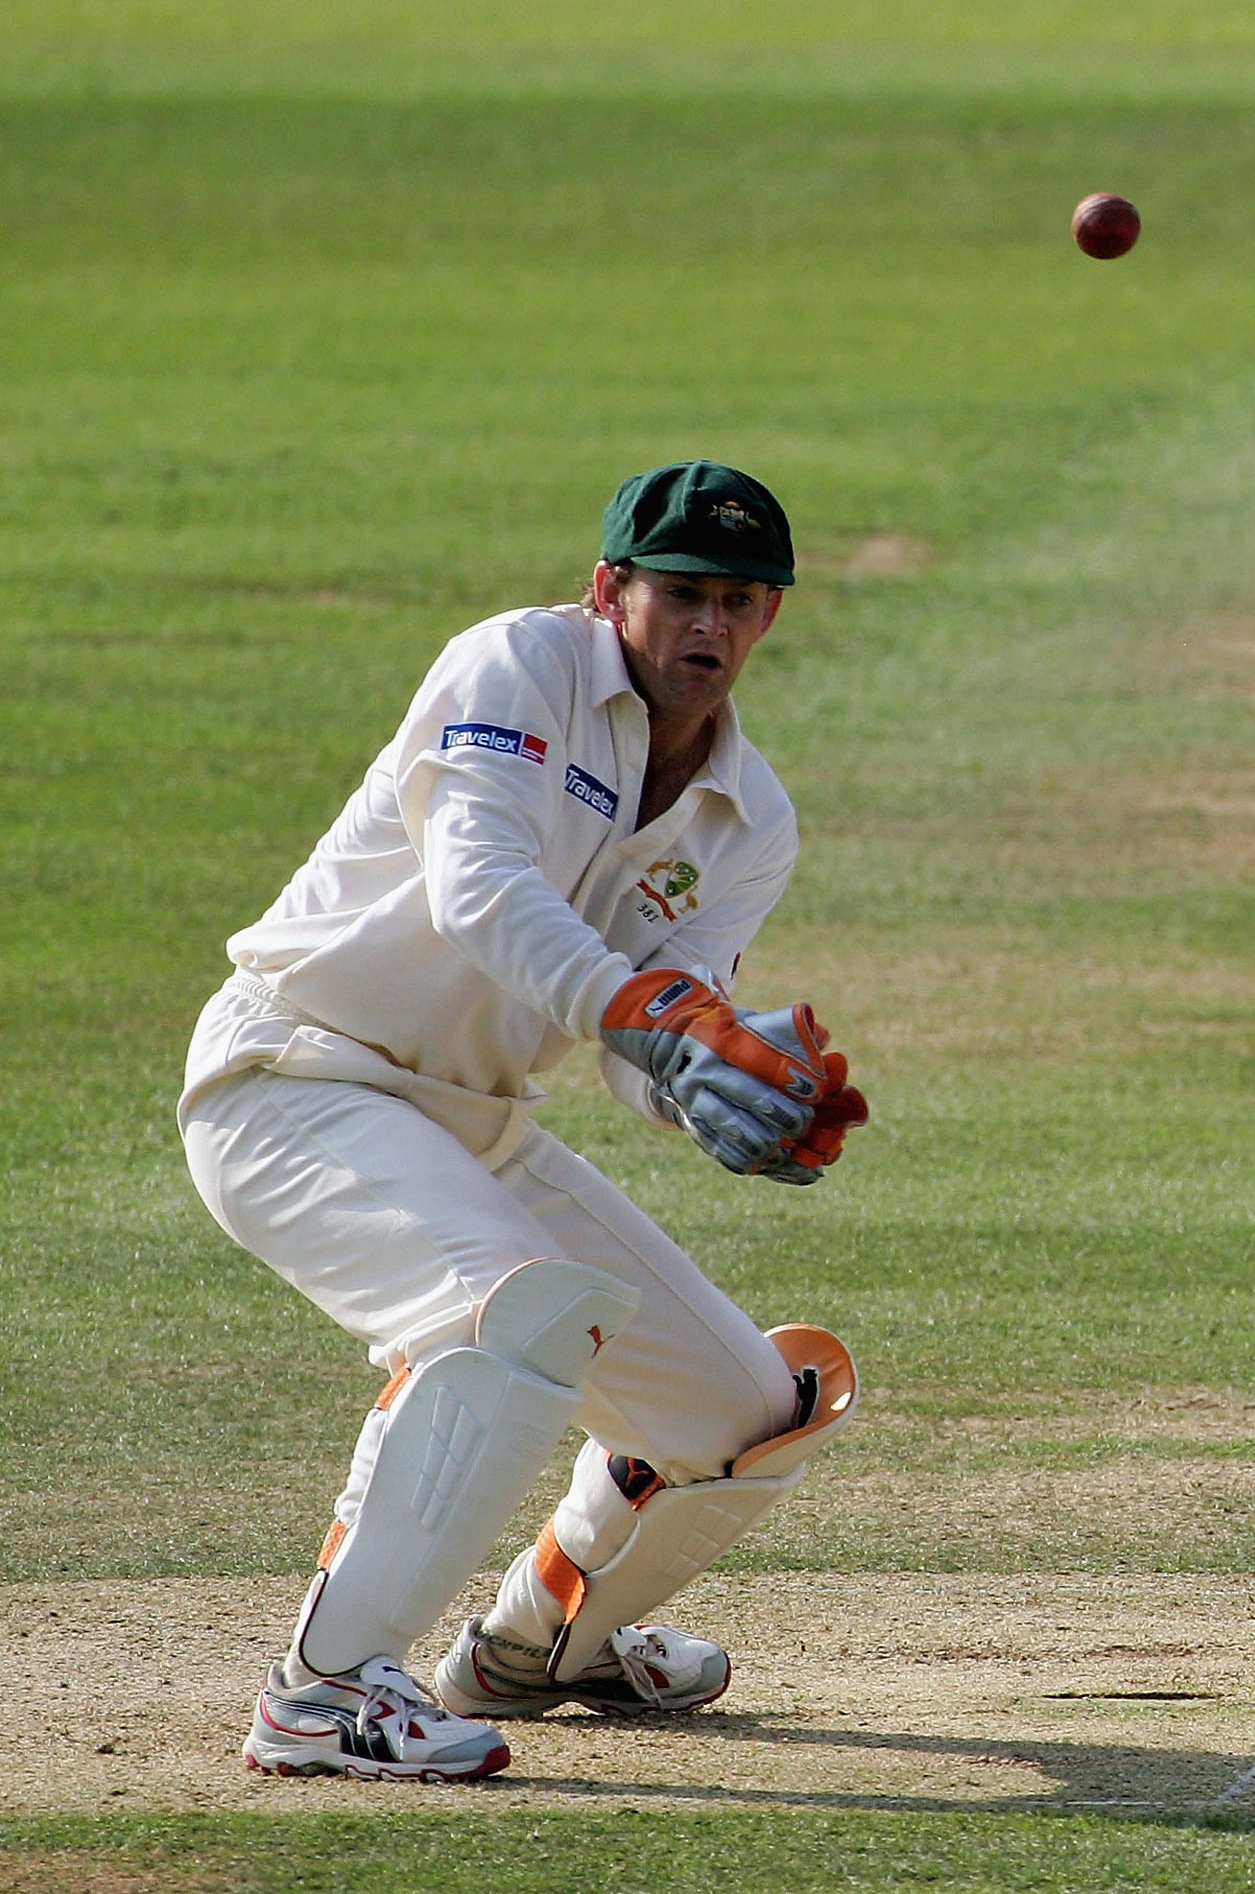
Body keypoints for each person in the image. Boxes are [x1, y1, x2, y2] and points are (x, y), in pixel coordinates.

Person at [182, 460, 872, 1781]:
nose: (707, 628)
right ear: (609, 589)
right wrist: (655, 1022)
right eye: (679, 594)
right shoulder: (516, 668)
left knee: (748, 1415)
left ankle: (542, 1640)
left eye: (738, 600)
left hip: (471, 1122)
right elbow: (480, 893)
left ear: (770, 618)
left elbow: (642, 1034)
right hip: (295, 1076)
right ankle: (320, 1693)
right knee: (519, 1309)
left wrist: (712, 1087)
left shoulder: (750, 819)